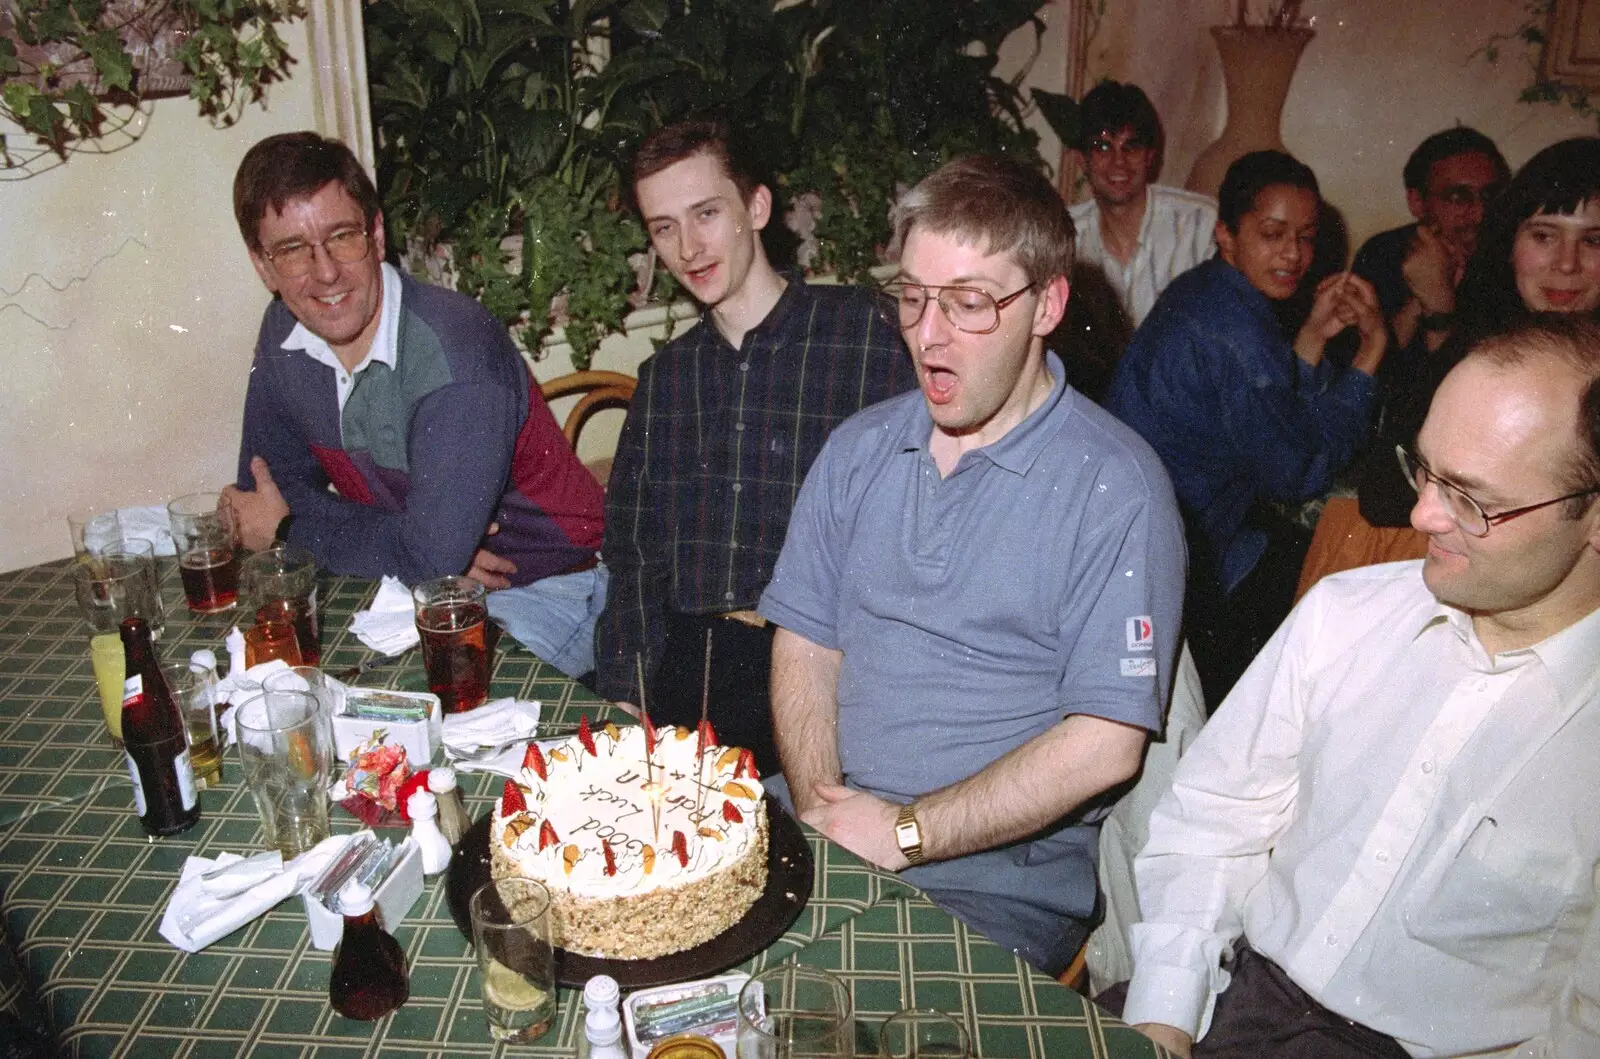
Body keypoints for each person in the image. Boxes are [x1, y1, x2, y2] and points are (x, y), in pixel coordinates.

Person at [1124, 315, 1600, 1059]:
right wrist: (1163, 1016)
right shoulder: (1346, 613)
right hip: (1232, 1002)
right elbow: (1213, 823)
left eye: (1473, 500)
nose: (1421, 515)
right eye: (1426, 470)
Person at [757, 155, 1186, 976]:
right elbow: (806, 643)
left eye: (969, 302)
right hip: (826, 823)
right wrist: (820, 803)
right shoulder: (859, 450)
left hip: (990, 882)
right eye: (913, 297)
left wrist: (905, 832)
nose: (928, 334)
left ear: (1047, 305)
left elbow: (1105, 745)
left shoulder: (1115, 487)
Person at [223, 132, 607, 679]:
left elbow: (282, 523)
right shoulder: (285, 332)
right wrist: (421, 543)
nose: (325, 272)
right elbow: (261, 495)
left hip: (554, 584)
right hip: (417, 588)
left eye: (343, 237)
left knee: (426, 708)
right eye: (291, 250)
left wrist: (296, 532)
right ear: (263, 265)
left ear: (377, 235)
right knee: (284, 684)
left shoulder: (457, 352)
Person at [593, 118, 911, 776]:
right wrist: (627, 698)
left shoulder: (865, 337)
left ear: (756, 208)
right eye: (663, 227)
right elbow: (635, 563)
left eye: (706, 213)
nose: (688, 246)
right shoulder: (664, 381)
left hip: (828, 669)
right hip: (695, 673)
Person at [1104, 150, 1387, 706]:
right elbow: (1298, 471)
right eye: (1273, 233)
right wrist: (1371, 355)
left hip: (1150, 526)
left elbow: (1268, 414)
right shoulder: (1235, 330)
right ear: (1227, 234)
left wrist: (1308, 341)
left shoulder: (1206, 289)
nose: (1294, 254)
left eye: (1306, 237)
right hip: (1173, 559)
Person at [1297, 137, 1600, 598]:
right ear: (1512, 241)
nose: (1566, 264)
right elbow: (1386, 487)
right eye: (1544, 236)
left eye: (1594, 241)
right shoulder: (1480, 337)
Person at [1068, 81, 1217, 329]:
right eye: (1103, 147)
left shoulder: (1201, 224)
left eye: (1131, 147)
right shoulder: (1066, 236)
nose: (1119, 163)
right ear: (1082, 160)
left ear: (1150, 156)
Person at [1350, 127, 1509, 356]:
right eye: (1458, 198)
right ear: (1417, 203)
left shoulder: (1511, 256)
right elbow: (1364, 372)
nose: (1480, 213)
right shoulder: (1384, 253)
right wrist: (1418, 301)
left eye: (1489, 196)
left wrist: (1439, 307)